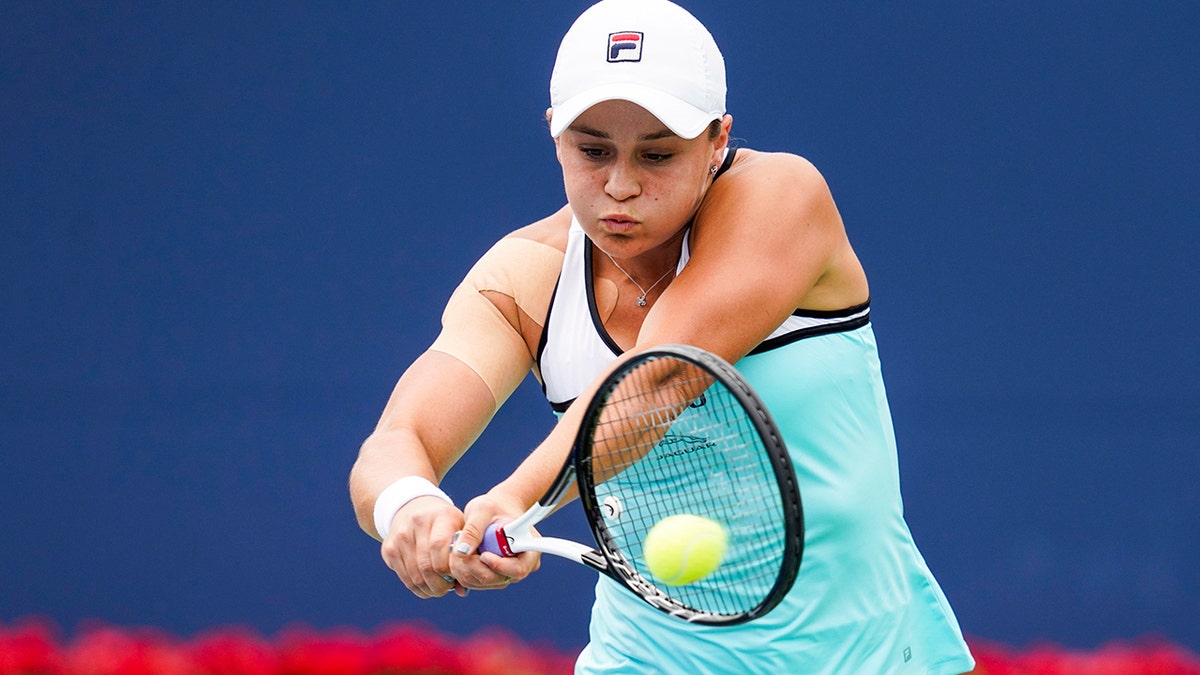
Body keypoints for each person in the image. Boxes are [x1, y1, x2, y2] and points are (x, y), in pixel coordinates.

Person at [349, 0, 975, 672]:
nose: (620, 185)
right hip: (640, 658)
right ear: (553, 135)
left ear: (718, 142)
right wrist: (410, 507)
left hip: (864, 657)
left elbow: (659, 378)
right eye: (592, 150)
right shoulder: (522, 278)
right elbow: (396, 442)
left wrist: (514, 500)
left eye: (658, 154)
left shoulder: (784, 197)